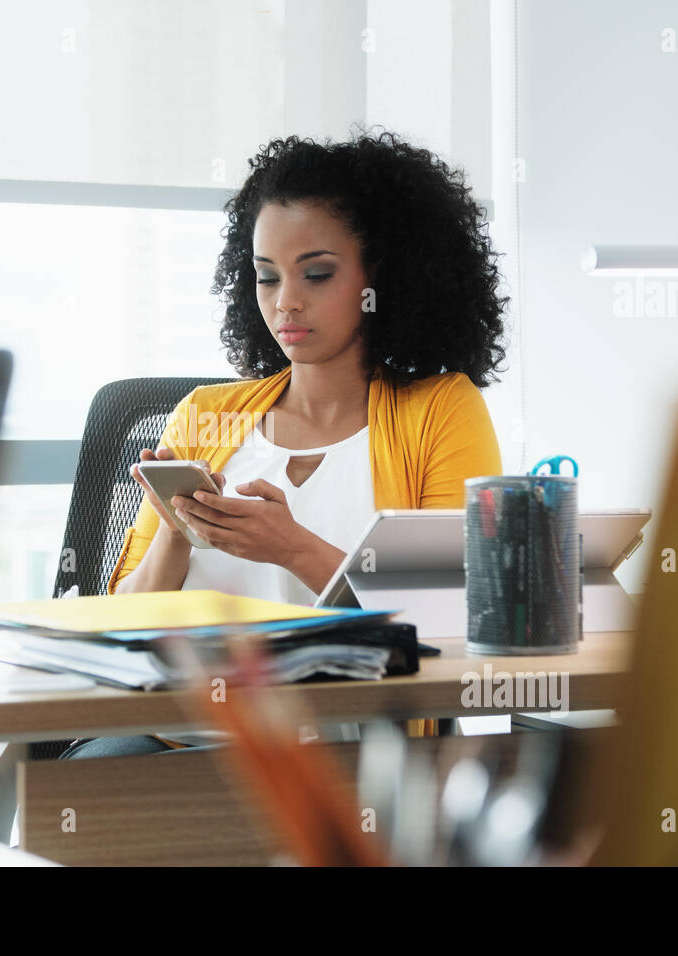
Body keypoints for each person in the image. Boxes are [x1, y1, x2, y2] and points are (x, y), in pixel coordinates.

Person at [60, 128, 507, 760]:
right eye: (267, 278)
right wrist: (174, 532)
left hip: (351, 749)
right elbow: (122, 626)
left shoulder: (440, 411)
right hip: (179, 738)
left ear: (378, 275)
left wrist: (292, 547)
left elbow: (446, 622)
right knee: (85, 798)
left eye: (317, 274)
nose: (287, 303)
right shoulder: (204, 417)